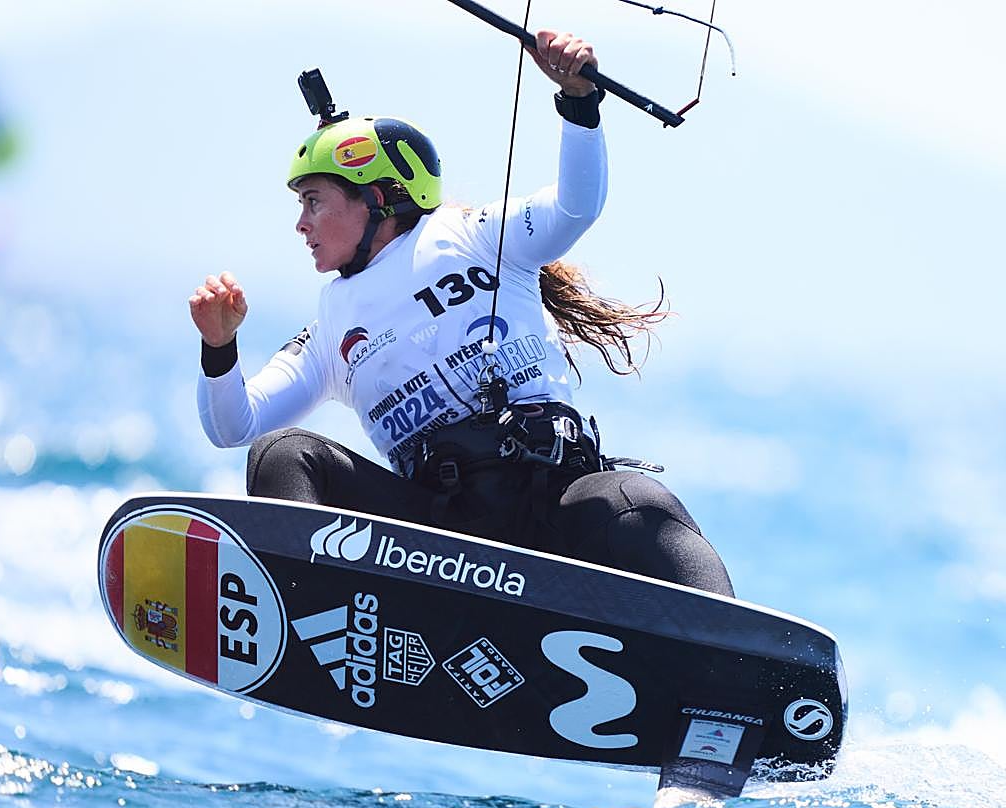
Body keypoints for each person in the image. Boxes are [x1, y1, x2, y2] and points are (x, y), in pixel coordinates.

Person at [189, 30, 734, 597]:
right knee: (282, 454)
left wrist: (577, 99)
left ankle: (737, 653)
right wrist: (219, 348)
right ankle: (312, 613)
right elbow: (236, 425)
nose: (301, 224)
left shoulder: (474, 234)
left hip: (551, 508)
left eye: (314, 201)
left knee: (638, 503)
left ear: (376, 199)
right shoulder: (330, 327)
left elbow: (576, 206)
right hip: (436, 539)